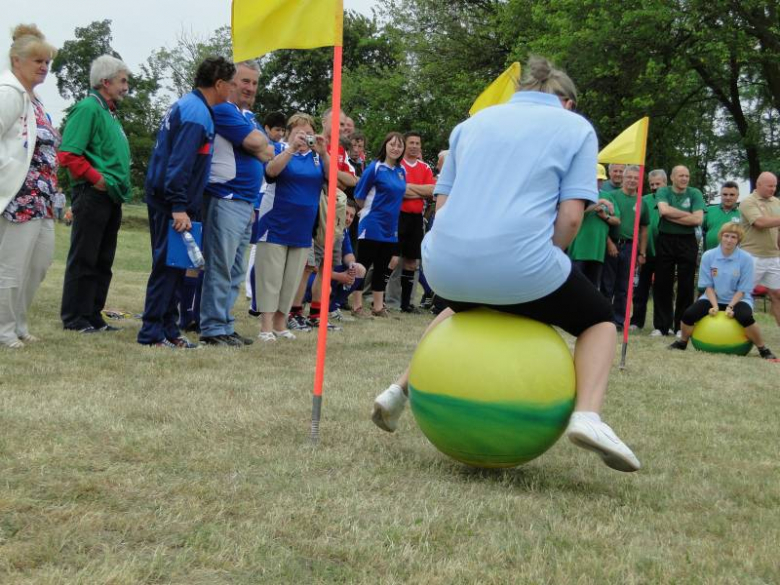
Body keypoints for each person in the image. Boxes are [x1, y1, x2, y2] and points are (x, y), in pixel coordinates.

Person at [371, 56, 640, 473]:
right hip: (518, 263)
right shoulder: (576, 128)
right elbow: (570, 218)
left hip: (443, 263)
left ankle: (398, 391)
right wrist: (538, 258)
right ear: (566, 102)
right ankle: (587, 415)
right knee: (600, 321)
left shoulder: (470, 126)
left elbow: (441, 207)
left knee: (459, 305)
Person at [137, 56, 235, 349]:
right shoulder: (196, 113)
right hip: (172, 203)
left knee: (178, 266)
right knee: (167, 268)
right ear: (219, 84)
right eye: (229, 84)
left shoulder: (190, 106)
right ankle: (151, 333)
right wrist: (179, 206)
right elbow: (179, 165)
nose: (230, 90)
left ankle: (169, 329)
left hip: (173, 200)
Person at [199, 60, 272, 347]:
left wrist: (256, 144)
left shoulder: (248, 116)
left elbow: (265, 148)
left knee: (236, 269)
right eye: (244, 81)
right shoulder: (223, 110)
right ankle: (213, 327)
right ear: (230, 83)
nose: (250, 88)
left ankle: (225, 324)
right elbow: (258, 145)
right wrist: (255, 145)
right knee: (221, 265)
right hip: (225, 197)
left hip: (245, 201)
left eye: (254, 83)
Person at [58, 55, 131, 333]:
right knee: (85, 256)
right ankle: (75, 317)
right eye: (122, 81)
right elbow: (68, 153)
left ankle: (92, 314)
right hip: (93, 194)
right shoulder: (88, 108)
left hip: (110, 196)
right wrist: (97, 179)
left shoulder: (108, 111)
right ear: (105, 81)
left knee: (103, 259)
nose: (126, 87)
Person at [0, 24, 59, 349]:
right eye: (37, 61)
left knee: (37, 265)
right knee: (11, 266)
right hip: (18, 196)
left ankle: (19, 324)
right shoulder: (9, 92)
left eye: (47, 62)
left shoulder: (33, 98)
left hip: (42, 198)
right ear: (16, 60)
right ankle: (4, 330)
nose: (43, 67)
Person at [255, 112, 329, 341]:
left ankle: (280, 322)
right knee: (271, 276)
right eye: (299, 133)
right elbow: (271, 172)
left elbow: (332, 178)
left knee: (292, 278)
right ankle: (265, 326)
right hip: (276, 223)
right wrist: (291, 150)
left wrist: (324, 153)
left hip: (302, 227)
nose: (304, 137)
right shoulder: (278, 149)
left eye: (308, 133)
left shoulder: (317, 158)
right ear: (288, 133)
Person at [668, 223, 776, 359]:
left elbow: (743, 289)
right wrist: (715, 306)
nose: (729, 240)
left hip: (739, 299)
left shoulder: (746, 258)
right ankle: (682, 342)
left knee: (745, 318)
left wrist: (730, 307)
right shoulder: (708, 256)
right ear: (721, 237)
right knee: (688, 315)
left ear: (738, 240)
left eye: (733, 237)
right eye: (726, 236)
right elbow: (708, 286)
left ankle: (763, 349)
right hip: (712, 297)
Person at [353, 132, 408, 317]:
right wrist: (370, 211)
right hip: (372, 223)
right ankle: (357, 306)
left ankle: (378, 307)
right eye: (392, 144)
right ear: (385, 145)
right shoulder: (374, 168)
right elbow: (359, 196)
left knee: (383, 266)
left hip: (390, 226)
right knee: (363, 264)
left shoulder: (401, 171)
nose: (395, 148)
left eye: (399, 146)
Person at [654, 165, 705, 336]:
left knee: (686, 283)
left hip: (687, 241)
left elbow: (698, 219)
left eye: (687, 175)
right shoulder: (663, 191)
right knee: (662, 282)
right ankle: (661, 326)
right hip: (665, 239)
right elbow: (663, 210)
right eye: (681, 175)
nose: (684, 179)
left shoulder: (695, 193)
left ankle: (680, 326)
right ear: (672, 177)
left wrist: (671, 215)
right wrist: (687, 216)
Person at [395, 131, 436, 313]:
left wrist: (409, 188)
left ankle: (406, 304)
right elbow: (398, 191)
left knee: (412, 262)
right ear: (405, 144)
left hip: (416, 218)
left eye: (417, 143)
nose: (414, 146)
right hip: (397, 216)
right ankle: (384, 301)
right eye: (410, 142)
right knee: (392, 259)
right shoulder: (397, 165)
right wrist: (418, 191)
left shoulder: (425, 168)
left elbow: (431, 191)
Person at [567, 164, 621, 287]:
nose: (598, 183)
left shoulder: (608, 196)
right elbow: (576, 213)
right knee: (575, 286)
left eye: (600, 180)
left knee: (593, 287)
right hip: (578, 250)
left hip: (597, 250)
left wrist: (605, 216)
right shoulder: (579, 195)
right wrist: (599, 203)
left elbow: (617, 220)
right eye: (595, 179)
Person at [609, 165, 649, 329]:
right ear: (623, 179)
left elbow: (644, 228)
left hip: (630, 247)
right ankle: (604, 319)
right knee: (607, 285)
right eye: (629, 177)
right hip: (611, 245)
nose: (632, 180)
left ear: (640, 181)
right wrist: (609, 243)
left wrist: (642, 252)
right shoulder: (612, 196)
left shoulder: (642, 201)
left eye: (636, 178)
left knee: (624, 287)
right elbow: (603, 223)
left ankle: (618, 321)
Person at [739, 171, 780, 327]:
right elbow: (760, 223)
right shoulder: (748, 202)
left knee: (777, 294)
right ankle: (737, 327)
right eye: (770, 186)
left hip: (774, 257)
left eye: (775, 186)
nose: (773, 189)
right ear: (758, 184)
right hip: (752, 256)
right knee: (742, 293)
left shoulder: (776, 202)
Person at [632, 169, 666, 334]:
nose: (654, 187)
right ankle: (636, 321)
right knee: (640, 289)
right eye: (651, 184)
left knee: (661, 290)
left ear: (665, 184)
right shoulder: (643, 200)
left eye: (657, 184)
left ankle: (661, 325)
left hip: (665, 252)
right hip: (645, 251)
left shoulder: (671, 201)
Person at [702, 181, 741, 252]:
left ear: (737, 196)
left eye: (732, 195)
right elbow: (698, 231)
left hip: (734, 257)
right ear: (721, 195)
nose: (728, 197)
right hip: (710, 257)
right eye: (725, 194)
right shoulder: (709, 211)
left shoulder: (741, 214)